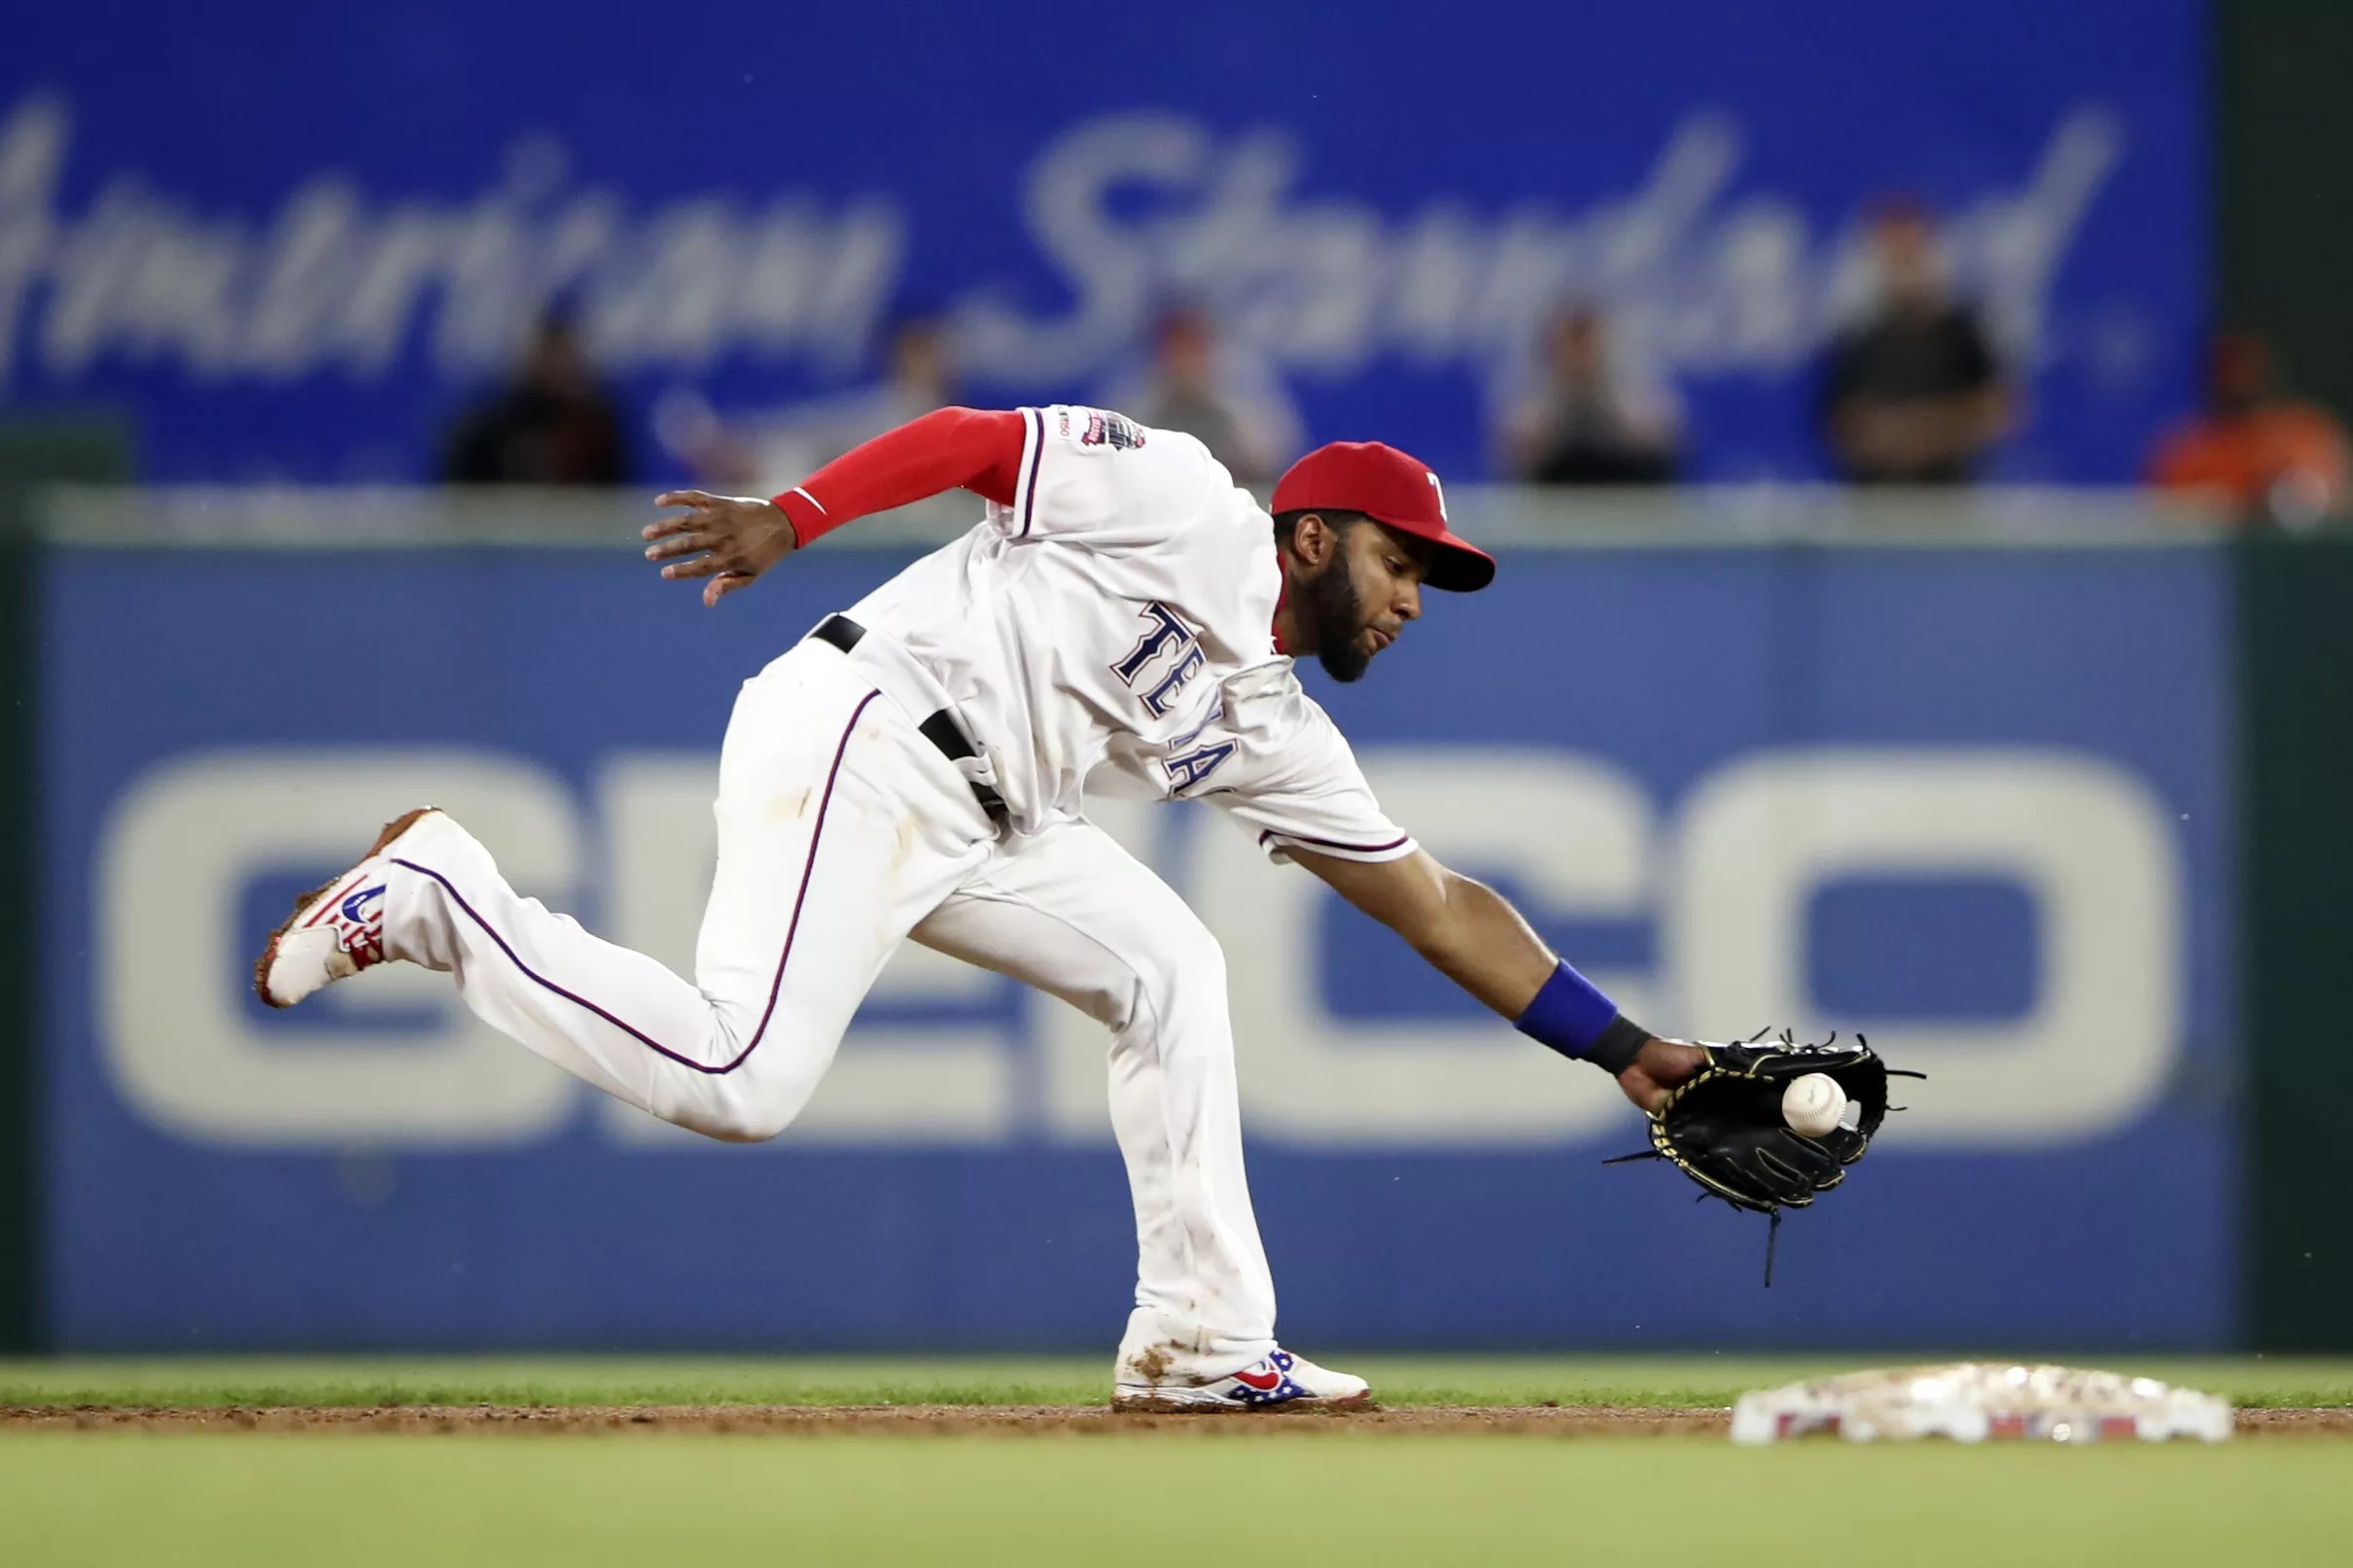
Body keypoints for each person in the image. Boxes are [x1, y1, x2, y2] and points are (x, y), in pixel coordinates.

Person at [256, 403, 1708, 1409]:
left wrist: (1627, 1050)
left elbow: (1438, 904)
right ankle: (446, 894)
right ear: (1316, 538)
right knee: (740, 1078)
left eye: (1430, 580)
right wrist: (796, 515)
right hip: (866, 726)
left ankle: (1202, 1341)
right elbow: (973, 441)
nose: (1412, 601)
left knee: (1170, 968)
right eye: (1402, 562)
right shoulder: (1185, 498)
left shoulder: (1276, 727)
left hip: (993, 816)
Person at [1818, 200, 2013, 485]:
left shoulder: (1962, 333)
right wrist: (1884, 437)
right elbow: (1840, 425)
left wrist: (1924, 433)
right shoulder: (1859, 339)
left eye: (1911, 251)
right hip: (1876, 497)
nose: (1904, 265)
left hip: (1950, 497)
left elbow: (2000, 410)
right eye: (1894, 254)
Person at [662, 314, 959, 498]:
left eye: (930, 354)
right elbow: (827, 432)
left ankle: (736, 456)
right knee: (792, 467)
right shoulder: (893, 405)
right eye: (916, 354)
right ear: (897, 359)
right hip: (877, 513)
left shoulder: (945, 415)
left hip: (933, 527)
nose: (928, 364)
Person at [2147, 331, 2350, 526]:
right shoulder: (2186, 449)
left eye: (2248, 365)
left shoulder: (2307, 434)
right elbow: (2167, 516)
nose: (2239, 376)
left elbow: (2335, 498)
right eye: (2230, 365)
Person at [1099, 307, 1305, 485]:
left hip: (1232, 497)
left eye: (1190, 350)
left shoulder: (1241, 391)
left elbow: (1272, 457)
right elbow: (1113, 461)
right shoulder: (1136, 399)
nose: (1183, 361)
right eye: (1175, 351)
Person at [1497, 305, 1683, 484]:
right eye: (1571, 344)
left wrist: (1625, 425)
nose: (1579, 355)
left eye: (1586, 343)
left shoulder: (1631, 398)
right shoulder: (1535, 404)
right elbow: (1515, 447)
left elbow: (1665, 436)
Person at [442, 310, 631, 485]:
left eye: (564, 355)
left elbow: (608, 494)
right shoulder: (490, 428)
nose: (558, 366)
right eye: (549, 354)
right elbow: (464, 494)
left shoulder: (595, 428)